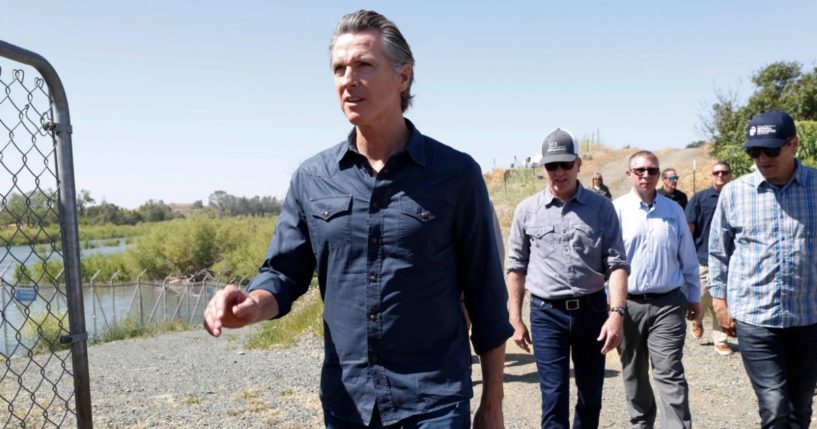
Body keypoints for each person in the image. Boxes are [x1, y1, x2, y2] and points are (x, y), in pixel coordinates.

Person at [202, 10, 513, 428]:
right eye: (339, 69)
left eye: (364, 65)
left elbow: (487, 297)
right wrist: (250, 306)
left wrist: (492, 405)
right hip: (348, 402)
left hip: (433, 403)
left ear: (403, 77)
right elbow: (284, 273)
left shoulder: (455, 175)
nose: (349, 79)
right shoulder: (313, 178)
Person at [506, 128, 629, 428]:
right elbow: (516, 267)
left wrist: (616, 314)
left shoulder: (602, 209)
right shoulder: (527, 211)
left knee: (591, 397)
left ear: (578, 164)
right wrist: (515, 317)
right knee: (553, 396)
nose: (558, 172)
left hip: (592, 312)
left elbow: (616, 264)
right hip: (547, 315)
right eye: (551, 166)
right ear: (542, 168)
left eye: (565, 164)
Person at [709, 110, 817, 428]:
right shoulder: (734, 193)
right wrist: (719, 302)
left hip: (809, 318)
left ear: (793, 144)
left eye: (771, 150)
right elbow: (718, 252)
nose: (762, 158)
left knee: (801, 408)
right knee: (774, 405)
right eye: (755, 151)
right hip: (756, 319)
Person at [613, 151, 700, 428]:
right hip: (628, 305)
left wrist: (694, 296)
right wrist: (610, 304)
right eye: (640, 170)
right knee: (634, 373)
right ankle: (642, 423)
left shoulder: (673, 210)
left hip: (669, 304)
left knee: (670, 371)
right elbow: (605, 261)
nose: (646, 175)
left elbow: (688, 257)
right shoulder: (616, 211)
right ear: (629, 175)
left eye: (652, 170)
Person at [685, 161, 733, 356]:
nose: (720, 176)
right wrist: (687, 255)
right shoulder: (700, 198)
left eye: (724, 172)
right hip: (703, 257)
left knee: (722, 298)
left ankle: (720, 339)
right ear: (711, 175)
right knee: (702, 295)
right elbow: (689, 227)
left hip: (729, 259)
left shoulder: (736, 196)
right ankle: (697, 319)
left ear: (730, 175)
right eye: (716, 173)